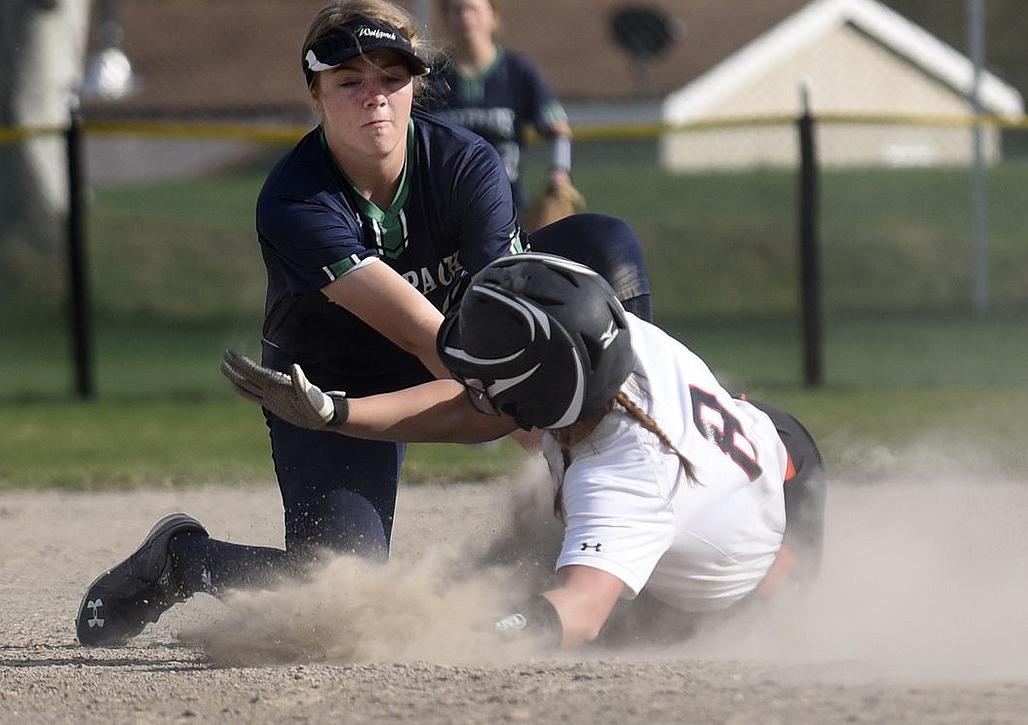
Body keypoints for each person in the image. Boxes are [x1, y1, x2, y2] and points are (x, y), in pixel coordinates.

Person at [75, 0, 651, 647]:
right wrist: (543, 438)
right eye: (349, 81)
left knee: (605, 242)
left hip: (463, 343)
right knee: (339, 595)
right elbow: (421, 333)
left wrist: (600, 455)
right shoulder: (295, 197)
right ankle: (181, 560)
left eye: (392, 77)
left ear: (416, 87)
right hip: (332, 382)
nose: (373, 95)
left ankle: (642, 452)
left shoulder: (467, 164)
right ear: (315, 94)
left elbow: (504, 318)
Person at [220, 252, 827, 650]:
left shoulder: (619, 480)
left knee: (612, 622)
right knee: (516, 563)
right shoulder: (608, 334)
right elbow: (471, 410)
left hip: (768, 554)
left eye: (488, 382)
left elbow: (580, 613)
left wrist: (471, 630)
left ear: (539, 400)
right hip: (771, 442)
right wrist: (338, 412)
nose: (474, 388)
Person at [430, 0, 577, 220]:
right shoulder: (431, 76)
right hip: (444, 212)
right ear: (445, 19)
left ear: (493, 17)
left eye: (474, 9)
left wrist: (559, 176)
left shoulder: (518, 71)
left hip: (508, 207)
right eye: (456, 10)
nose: (466, 16)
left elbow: (558, 131)